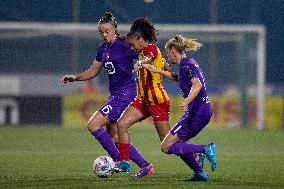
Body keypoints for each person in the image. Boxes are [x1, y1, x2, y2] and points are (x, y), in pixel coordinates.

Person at [61, 12, 151, 173]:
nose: (104, 34)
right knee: (114, 136)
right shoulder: (102, 48)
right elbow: (94, 70)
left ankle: (118, 161)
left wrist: (143, 62)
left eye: (107, 31)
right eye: (101, 32)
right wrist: (75, 78)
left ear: (115, 29)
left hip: (126, 94)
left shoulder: (125, 44)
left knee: (93, 124)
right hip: (115, 95)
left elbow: (147, 53)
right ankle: (145, 165)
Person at [142, 35, 216, 181]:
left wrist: (187, 101)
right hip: (199, 111)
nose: (167, 57)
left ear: (174, 50)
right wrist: (157, 70)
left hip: (197, 112)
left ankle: (205, 149)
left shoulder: (187, 65)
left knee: (166, 146)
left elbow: (197, 85)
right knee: (178, 144)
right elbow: (177, 77)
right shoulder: (187, 64)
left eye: (167, 53)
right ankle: (199, 173)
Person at [114, 17, 171, 178]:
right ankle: (125, 162)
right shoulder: (142, 52)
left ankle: (196, 153)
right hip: (143, 100)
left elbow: (150, 57)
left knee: (167, 143)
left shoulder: (150, 49)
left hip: (157, 101)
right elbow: (165, 66)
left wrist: (142, 64)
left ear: (140, 39)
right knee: (121, 124)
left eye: (133, 44)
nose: (132, 48)